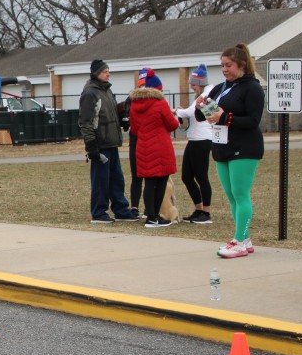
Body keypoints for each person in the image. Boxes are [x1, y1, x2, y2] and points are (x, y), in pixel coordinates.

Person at [198, 43, 264, 258]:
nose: (224, 69)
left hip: (245, 147)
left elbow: (253, 120)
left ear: (241, 65)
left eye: (229, 65)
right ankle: (245, 239)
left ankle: (239, 241)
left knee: (240, 194)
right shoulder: (220, 88)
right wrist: (201, 106)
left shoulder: (252, 88)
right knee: (232, 196)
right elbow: (205, 116)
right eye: (222, 65)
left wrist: (225, 117)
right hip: (221, 146)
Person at [79, 59, 136, 224]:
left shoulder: (107, 91)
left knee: (117, 179)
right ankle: (99, 212)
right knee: (101, 181)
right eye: (105, 71)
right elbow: (85, 121)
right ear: (96, 73)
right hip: (100, 144)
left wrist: (123, 112)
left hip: (111, 142)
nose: (108, 74)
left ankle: (121, 210)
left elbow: (109, 113)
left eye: (108, 71)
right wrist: (91, 145)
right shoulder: (90, 93)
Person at [129, 68, 179, 228]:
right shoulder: (161, 103)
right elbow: (172, 125)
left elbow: (134, 129)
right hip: (161, 146)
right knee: (161, 181)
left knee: (149, 182)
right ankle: (155, 216)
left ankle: (150, 216)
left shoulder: (134, 105)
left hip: (142, 147)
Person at [174, 63, 214, 224]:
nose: (191, 87)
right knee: (186, 176)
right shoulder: (201, 94)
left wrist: (176, 111)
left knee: (201, 176)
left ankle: (206, 212)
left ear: (200, 83)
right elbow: (192, 112)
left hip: (203, 140)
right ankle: (198, 209)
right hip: (194, 139)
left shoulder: (207, 94)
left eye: (193, 84)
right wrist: (181, 111)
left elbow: (190, 112)